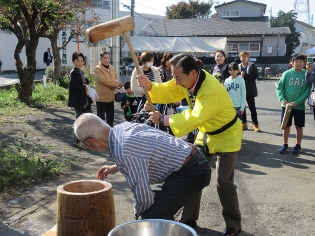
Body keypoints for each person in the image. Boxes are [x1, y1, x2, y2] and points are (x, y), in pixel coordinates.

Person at [137, 54, 242, 235]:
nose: (176, 81)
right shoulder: (186, 80)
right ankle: (189, 218)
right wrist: (150, 86)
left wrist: (163, 119)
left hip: (227, 134)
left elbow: (196, 117)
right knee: (192, 172)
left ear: (193, 72)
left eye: (178, 77)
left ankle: (233, 224)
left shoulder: (210, 88)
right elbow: (169, 90)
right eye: (174, 76)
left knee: (223, 181)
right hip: (206, 133)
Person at [74, 113, 211, 220]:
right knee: (155, 208)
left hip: (191, 172)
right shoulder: (124, 127)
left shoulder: (124, 151)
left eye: (83, 144)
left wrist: (138, 216)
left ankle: (174, 226)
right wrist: (114, 167)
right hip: (191, 160)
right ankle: (179, 224)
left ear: (90, 141)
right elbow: (142, 153)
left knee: (147, 220)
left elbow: (144, 198)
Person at [276, 53, 312, 154]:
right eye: (296, 62)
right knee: (286, 126)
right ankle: (285, 145)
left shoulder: (306, 75)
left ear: (304, 63)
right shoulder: (287, 74)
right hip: (286, 106)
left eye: (300, 62)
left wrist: (297, 102)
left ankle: (298, 145)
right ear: (292, 63)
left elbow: (307, 92)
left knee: (299, 126)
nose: (298, 64)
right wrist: (283, 99)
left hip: (299, 106)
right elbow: (279, 88)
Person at [67, 52, 92, 148]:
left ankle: (84, 141)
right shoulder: (73, 72)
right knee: (79, 121)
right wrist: (83, 88)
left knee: (86, 120)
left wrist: (86, 83)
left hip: (84, 99)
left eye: (82, 61)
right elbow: (73, 86)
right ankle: (76, 141)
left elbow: (83, 82)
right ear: (73, 61)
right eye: (77, 61)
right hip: (78, 101)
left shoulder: (80, 72)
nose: (80, 63)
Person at [94, 51, 123, 127]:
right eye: (105, 58)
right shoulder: (97, 69)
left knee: (110, 118)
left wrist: (115, 84)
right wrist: (117, 84)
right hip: (101, 97)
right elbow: (104, 80)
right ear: (100, 59)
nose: (107, 60)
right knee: (101, 119)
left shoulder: (111, 67)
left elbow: (115, 77)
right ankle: (100, 136)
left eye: (108, 58)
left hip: (111, 96)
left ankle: (109, 135)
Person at [238, 50, 261, 132]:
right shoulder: (238, 66)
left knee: (252, 108)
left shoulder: (252, 66)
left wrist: (245, 76)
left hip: (249, 90)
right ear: (240, 58)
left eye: (245, 57)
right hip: (240, 90)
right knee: (242, 108)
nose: (244, 58)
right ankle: (244, 123)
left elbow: (255, 75)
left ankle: (255, 124)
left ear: (248, 58)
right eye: (242, 57)